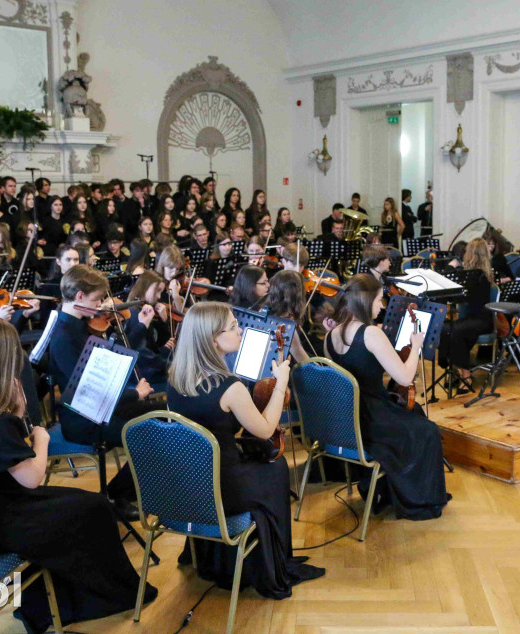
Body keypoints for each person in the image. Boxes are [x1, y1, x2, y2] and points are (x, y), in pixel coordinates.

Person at [0, 317, 154, 632]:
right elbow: (32, 478)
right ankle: (94, 598)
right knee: (95, 509)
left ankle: (51, 598)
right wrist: (41, 438)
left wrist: (18, 414)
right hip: (1, 521)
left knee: (87, 504)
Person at [167, 302, 325, 598]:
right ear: (213, 339)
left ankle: (221, 560)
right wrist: (281, 383)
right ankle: (270, 564)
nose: (240, 329)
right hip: (221, 486)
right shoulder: (229, 386)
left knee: (260, 465)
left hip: (190, 483)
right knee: (275, 469)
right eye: (232, 326)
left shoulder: (176, 378)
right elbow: (265, 430)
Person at [324, 275, 448, 518]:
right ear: (366, 301)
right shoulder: (370, 333)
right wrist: (416, 346)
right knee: (428, 431)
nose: (382, 306)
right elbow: (404, 378)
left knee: (415, 414)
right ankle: (417, 498)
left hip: (346, 417)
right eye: (379, 300)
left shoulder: (331, 334)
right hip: (372, 417)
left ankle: (386, 488)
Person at [47, 265, 155, 513]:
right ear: (79, 297)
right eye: (97, 300)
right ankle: (117, 496)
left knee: (162, 414)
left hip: (103, 405)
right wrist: (133, 394)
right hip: (83, 417)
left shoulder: (79, 325)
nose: (101, 306)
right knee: (150, 433)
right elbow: (86, 389)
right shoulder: (64, 335)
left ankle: (136, 490)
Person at [440, 239, 496, 387]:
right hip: (470, 318)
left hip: (483, 320)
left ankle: (466, 376)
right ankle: (455, 371)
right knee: (446, 328)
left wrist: (453, 267)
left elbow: (477, 303)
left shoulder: (481, 275)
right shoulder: (468, 274)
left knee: (456, 331)